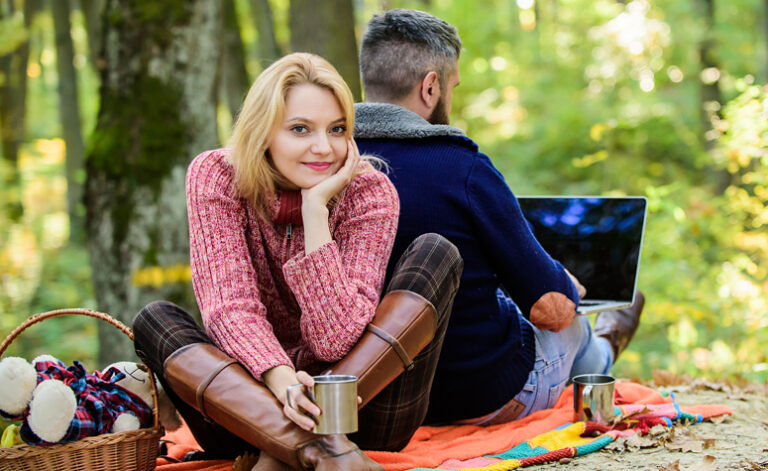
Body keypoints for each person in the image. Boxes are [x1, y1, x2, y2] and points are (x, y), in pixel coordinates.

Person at [132, 52, 462, 470]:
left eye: (337, 129)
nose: (323, 148)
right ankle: (317, 451)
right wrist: (283, 383)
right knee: (155, 319)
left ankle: (288, 450)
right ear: (263, 130)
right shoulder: (216, 177)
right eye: (300, 129)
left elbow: (334, 340)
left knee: (437, 253)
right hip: (246, 415)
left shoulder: (369, 194)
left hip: (362, 410)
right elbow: (230, 309)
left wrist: (315, 213)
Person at [355, 9, 645, 426]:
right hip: (482, 398)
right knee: (574, 324)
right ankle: (605, 349)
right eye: (452, 86)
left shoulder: (325, 163)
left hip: (376, 398)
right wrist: (568, 286)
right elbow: (552, 309)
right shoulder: (463, 168)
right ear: (431, 86)